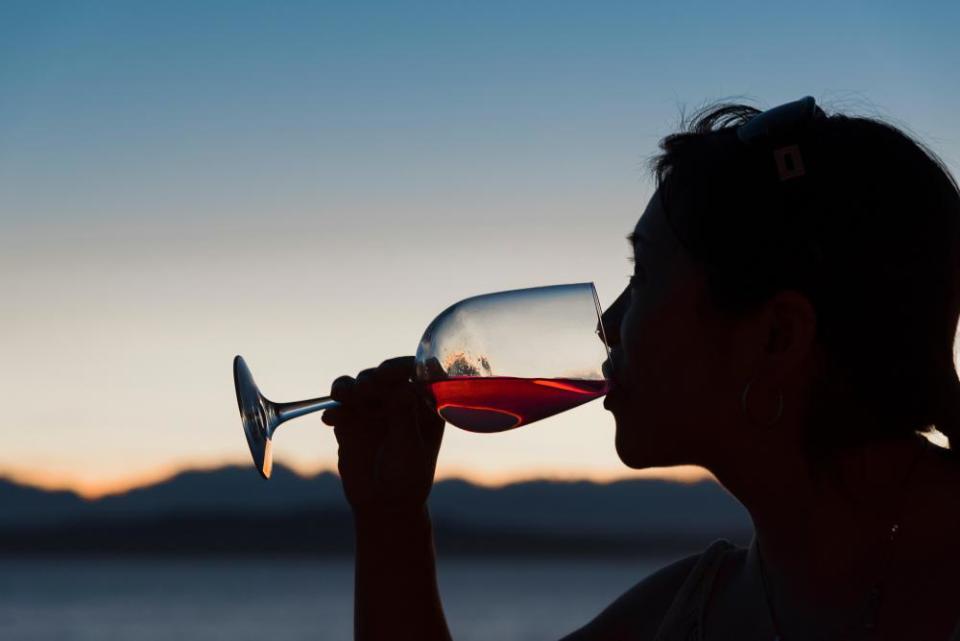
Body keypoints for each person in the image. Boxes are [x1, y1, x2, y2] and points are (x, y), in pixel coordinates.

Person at [321, 96, 960, 640]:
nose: (608, 323)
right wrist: (391, 519)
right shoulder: (689, 612)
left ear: (776, 338)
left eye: (644, 276)